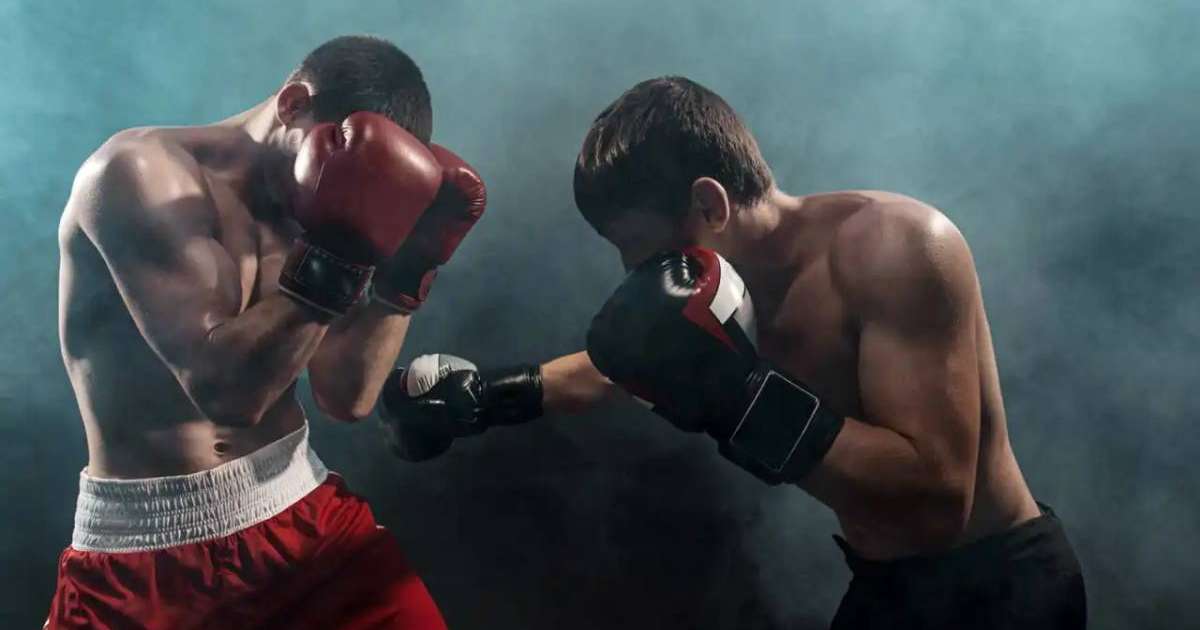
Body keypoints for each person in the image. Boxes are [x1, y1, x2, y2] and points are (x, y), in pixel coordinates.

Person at [381, 76, 1086, 628]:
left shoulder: (897, 248)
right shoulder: (724, 290)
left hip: (1000, 588)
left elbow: (938, 499)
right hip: (889, 587)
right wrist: (489, 398)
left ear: (711, 204)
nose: (637, 274)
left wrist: (741, 399)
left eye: (642, 251)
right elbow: (635, 365)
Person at [50, 35, 485, 629]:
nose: (330, 187)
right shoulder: (135, 173)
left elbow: (346, 396)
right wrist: (340, 259)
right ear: (292, 103)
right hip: (146, 564)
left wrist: (403, 276)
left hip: (304, 522)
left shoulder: (320, 212)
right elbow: (226, 396)